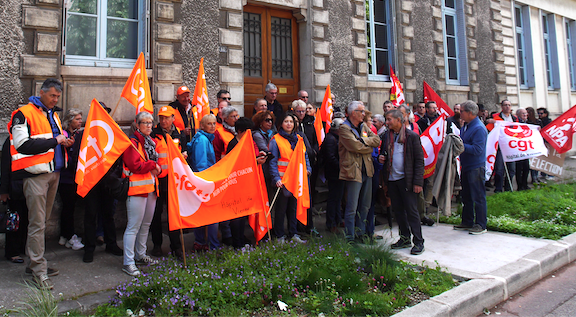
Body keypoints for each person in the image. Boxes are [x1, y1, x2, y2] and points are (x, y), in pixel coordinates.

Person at [9, 78, 74, 289]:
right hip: (35, 176)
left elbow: (53, 141)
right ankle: (38, 270)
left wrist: (65, 142)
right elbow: (22, 145)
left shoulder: (52, 114)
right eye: (52, 95)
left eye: (57, 96)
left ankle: (34, 263)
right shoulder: (23, 113)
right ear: (41, 92)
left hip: (52, 173)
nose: (55, 100)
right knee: (37, 224)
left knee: (41, 223)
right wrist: (56, 141)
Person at [379, 109, 425, 254]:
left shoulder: (412, 136)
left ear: (399, 120)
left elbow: (419, 160)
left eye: (389, 119)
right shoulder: (387, 136)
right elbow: (384, 152)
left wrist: (418, 182)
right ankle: (404, 238)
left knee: (411, 211)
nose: (387, 122)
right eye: (386, 119)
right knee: (398, 211)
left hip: (407, 180)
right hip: (392, 179)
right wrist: (382, 157)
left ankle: (418, 241)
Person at [82, 102, 124, 263]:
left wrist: (113, 175)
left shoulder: (113, 133)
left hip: (109, 182)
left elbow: (118, 156)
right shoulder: (84, 135)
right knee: (90, 216)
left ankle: (111, 244)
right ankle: (89, 248)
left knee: (108, 215)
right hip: (91, 183)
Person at [122, 111, 162, 276]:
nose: (148, 125)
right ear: (137, 125)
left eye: (150, 123)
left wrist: (154, 167)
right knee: (133, 227)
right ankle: (128, 262)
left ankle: (141, 255)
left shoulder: (151, 142)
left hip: (151, 189)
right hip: (137, 189)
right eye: (145, 123)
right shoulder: (132, 142)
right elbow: (134, 165)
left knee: (145, 225)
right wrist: (152, 165)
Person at [150, 106, 188, 259]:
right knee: (156, 216)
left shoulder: (179, 134)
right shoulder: (153, 134)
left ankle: (176, 246)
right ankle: (157, 245)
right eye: (161, 118)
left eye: (166, 117)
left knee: (174, 215)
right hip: (158, 182)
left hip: (174, 181)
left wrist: (185, 154)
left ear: (173, 118)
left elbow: (185, 150)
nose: (163, 121)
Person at [339, 101, 380, 242]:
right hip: (353, 171)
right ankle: (349, 236)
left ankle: (361, 233)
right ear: (353, 113)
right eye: (361, 111)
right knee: (352, 206)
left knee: (365, 205)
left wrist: (363, 141)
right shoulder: (344, 128)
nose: (364, 114)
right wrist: (367, 145)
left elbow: (377, 140)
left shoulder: (363, 126)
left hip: (367, 169)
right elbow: (354, 146)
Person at [269, 113, 311, 244]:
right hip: (283, 181)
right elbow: (272, 162)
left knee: (293, 208)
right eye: (286, 121)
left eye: (291, 122)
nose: (289, 124)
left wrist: (308, 169)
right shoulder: (275, 140)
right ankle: (280, 235)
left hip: (296, 181)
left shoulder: (299, 139)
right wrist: (276, 178)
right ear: (281, 123)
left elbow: (305, 157)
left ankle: (293, 233)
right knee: (281, 209)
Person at [226, 118, 267, 249]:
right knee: (236, 217)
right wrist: (255, 162)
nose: (250, 134)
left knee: (243, 215)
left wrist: (258, 157)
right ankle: (237, 244)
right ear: (240, 131)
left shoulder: (247, 142)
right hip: (236, 185)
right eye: (248, 131)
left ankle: (242, 240)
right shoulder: (233, 144)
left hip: (246, 184)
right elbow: (235, 165)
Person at [454, 100, 488, 234]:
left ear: (470, 113)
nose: (459, 113)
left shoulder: (479, 128)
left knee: (478, 196)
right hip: (466, 165)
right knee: (466, 196)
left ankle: (481, 224)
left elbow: (477, 149)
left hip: (476, 166)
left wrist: (460, 146)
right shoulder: (466, 126)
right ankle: (467, 221)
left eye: (461, 111)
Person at [189, 114, 220, 251]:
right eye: (209, 124)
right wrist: (207, 183)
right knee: (213, 216)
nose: (213, 126)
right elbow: (201, 164)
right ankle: (213, 246)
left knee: (202, 215)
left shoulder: (204, 138)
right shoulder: (202, 140)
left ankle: (200, 242)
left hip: (203, 181)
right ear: (202, 125)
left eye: (214, 123)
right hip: (205, 181)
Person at [57, 109, 84, 250]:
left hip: (74, 177)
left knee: (69, 208)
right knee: (68, 208)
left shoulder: (77, 134)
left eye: (81, 119)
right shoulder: (63, 135)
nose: (80, 121)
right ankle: (70, 236)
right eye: (77, 119)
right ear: (70, 120)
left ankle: (64, 236)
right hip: (65, 178)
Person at [1, 138, 29, 264]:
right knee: (14, 221)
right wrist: (4, 191)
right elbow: (5, 167)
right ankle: (12, 252)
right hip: (14, 188)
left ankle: (22, 247)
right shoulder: (10, 141)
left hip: (26, 186)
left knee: (26, 220)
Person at [321, 118, 345, 233]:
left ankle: (338, 219)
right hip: (334, 173)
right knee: (333, 198)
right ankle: (331, 223)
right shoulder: (331, 139)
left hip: (338, 172)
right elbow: (330, 157)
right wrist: (341, 167)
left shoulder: (335, 138)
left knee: (338, 198)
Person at [489, 100, 518, 192]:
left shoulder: (515, 118)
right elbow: (489, 129)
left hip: (511, 147)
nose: (507, 107)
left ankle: (508, 187)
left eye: (509, 105)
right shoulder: (496, 118)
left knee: (511, 169)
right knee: (499, 169)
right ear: (501, 107)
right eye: (505, 105)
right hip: (500, 147)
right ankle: (498, 188)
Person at [515, 109, 530, 191]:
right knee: (519, 169)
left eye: (525, 113)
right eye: (523, 113)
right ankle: (519, 186)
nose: (525, 115)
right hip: (518, 149)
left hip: (526, 149)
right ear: (518, 115)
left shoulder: (528, 123)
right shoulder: (516, 123)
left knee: (526, 168)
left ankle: (525, 184)